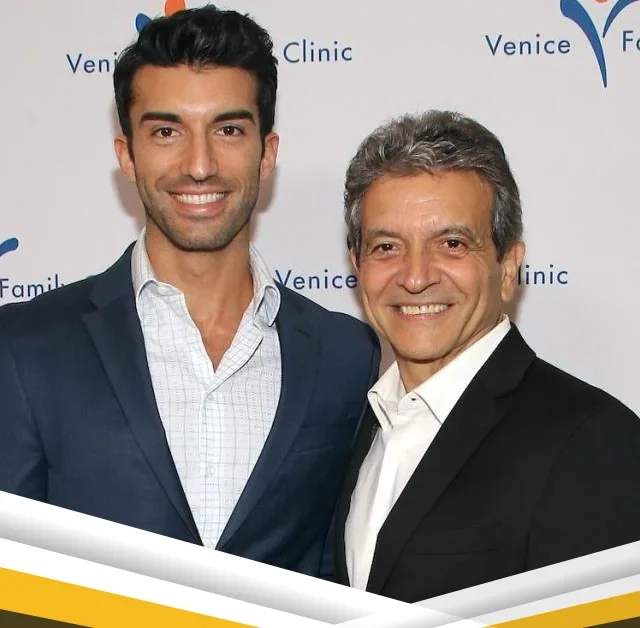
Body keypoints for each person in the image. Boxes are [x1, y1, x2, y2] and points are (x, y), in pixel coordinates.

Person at [0, 6, 379, 578]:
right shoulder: (26, 349)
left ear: (267, 152)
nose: (199, 165)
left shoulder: (347, 355)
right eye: (166, 132)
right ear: (127, 155)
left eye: (228, 130)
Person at [335, 110, 640, 601]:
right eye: (387, 247)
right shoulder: (360, 424)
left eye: (452, 244)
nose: (415, 277)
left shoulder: (592, 441)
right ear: (357, 266)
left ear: (508, 267)